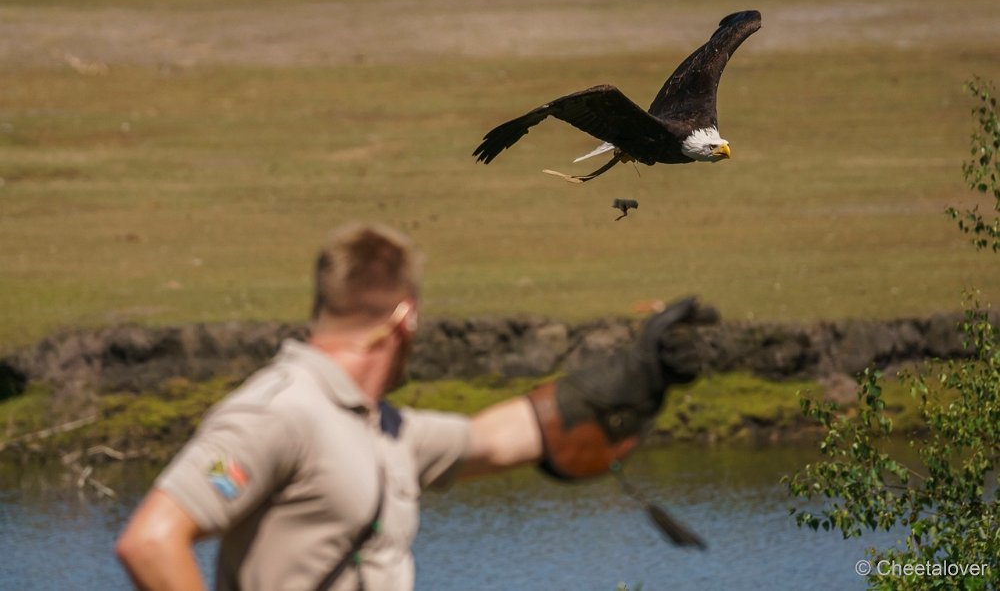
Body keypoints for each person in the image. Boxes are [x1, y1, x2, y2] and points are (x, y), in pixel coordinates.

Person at [116, 223, 708, 591]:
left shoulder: (383, 428)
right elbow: (150, 541)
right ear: (405, 318)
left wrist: (638, 372)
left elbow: (495, 440)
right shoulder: (279, 412)